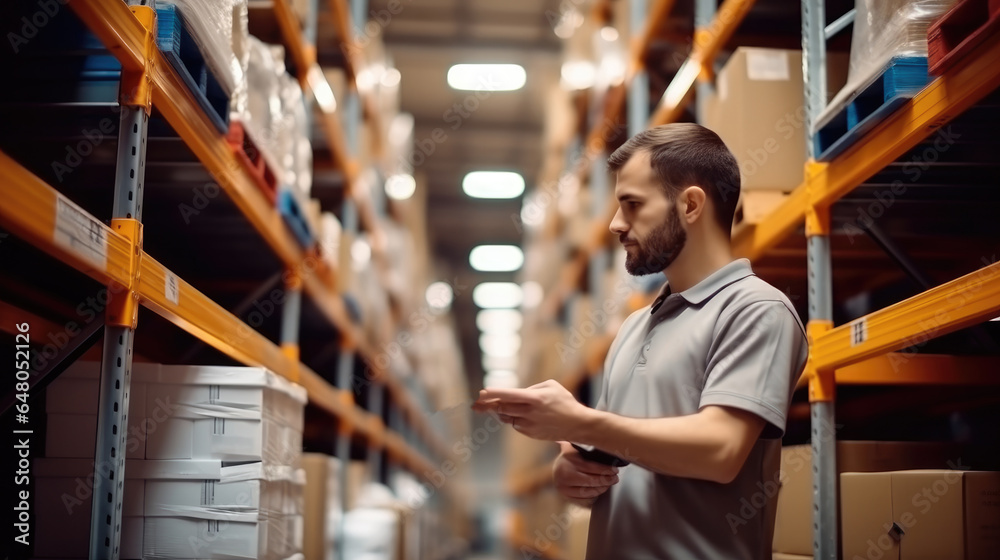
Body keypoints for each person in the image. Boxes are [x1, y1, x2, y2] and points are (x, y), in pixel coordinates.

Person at [473, 123, 808, 560]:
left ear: (690, 205)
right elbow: (621, 449)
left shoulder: (755, 309)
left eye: (632, 205)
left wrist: (580, 423)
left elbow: (721, 451)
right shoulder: (634, 328)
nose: (615, 224)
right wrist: (576, 471)